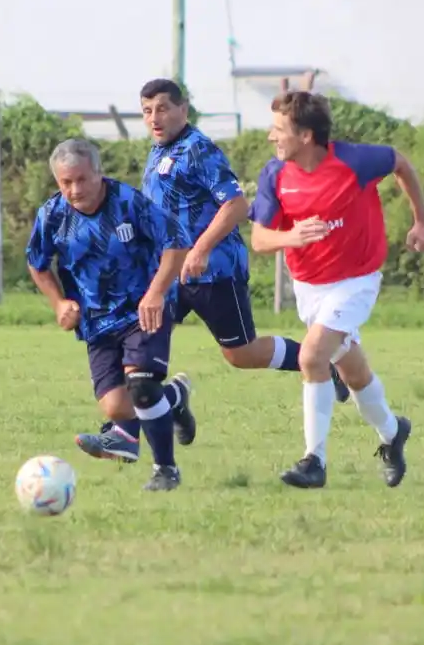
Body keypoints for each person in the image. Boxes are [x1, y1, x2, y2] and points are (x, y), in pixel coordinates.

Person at [248, 91, 424, 489]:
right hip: (309, 287)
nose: (271, 137)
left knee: (314, 356)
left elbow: (399, 161)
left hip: (356, 280)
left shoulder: (354, 161)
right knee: (351, 369)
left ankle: (313, 461)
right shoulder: (275, 175)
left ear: (305, 136)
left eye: (279, 130)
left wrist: (422, 221)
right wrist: (291, 237)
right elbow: (260, 239)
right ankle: (392, 433)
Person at [136, 78, 352, 424]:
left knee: (240, 354)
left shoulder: (198, 149)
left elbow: (236, 205)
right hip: (170, 274)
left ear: (182, 109)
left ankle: (322, 361)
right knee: (138, 344)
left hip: (215, 271)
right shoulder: (158, 151)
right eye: (147, 111)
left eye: (162, 108)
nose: (154, 118)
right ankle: (142, 416)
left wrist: (200, 249)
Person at [26, 137, 194, 492]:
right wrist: (58, 302)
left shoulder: (128, 202)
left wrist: (156, 292)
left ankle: (166, 469)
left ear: (98, 173)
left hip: (144, 309)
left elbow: (176, 241)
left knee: (143, 387)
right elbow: (37, 263)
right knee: (118, 408)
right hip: (97, 321)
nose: (75, 189)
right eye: (65, 182)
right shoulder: (52, 215)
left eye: (82, 179)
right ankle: (175, 398)